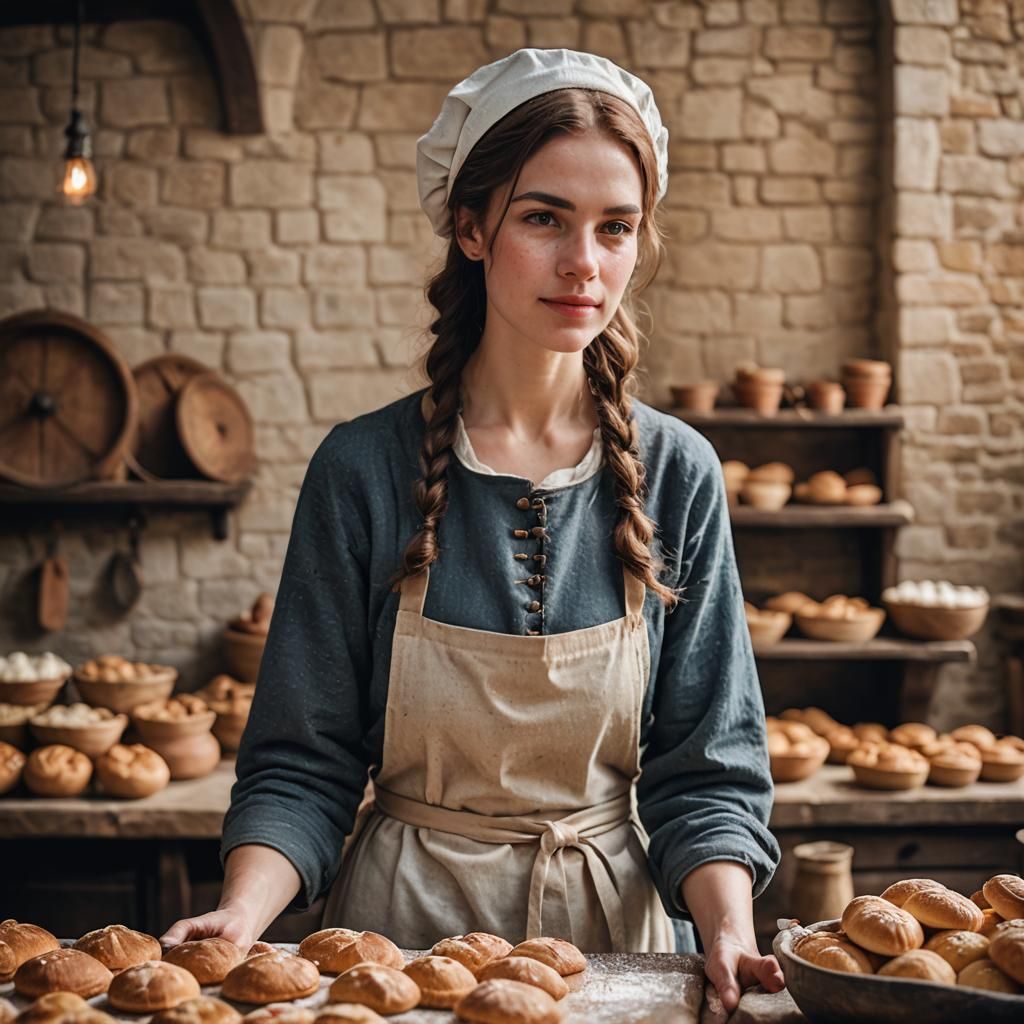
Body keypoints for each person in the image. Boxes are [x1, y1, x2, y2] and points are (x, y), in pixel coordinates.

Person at [162, 48, 784, 1012]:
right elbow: (303, 763)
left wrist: (729, 933)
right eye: (544, 218)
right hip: (397, 956)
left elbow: (706, 774)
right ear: (471, 228)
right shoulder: (363, 470)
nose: (585, 263)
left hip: (612, 962)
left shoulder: (678, 473)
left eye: (615, 227)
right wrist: (243, 914)